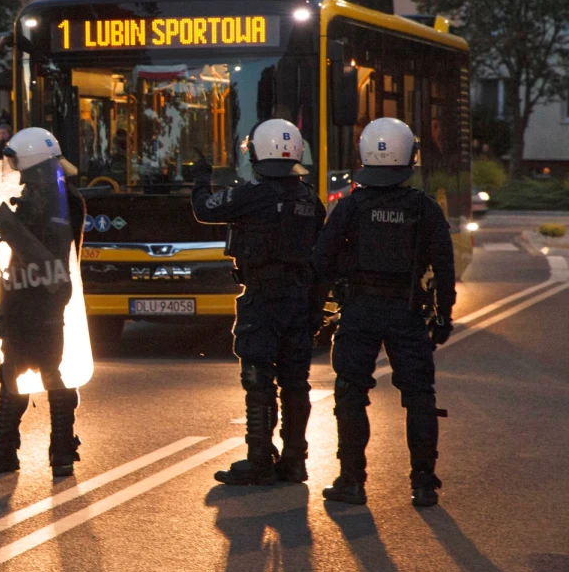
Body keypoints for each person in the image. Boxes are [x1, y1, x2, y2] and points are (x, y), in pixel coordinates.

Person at [315, 117, 456, 508]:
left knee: (350, 392)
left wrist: (316, 309)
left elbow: (321, 259)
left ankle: (352, 481)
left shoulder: (351, 205)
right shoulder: (424, 208)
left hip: (359, 309)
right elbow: (444, 267)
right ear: (410, 155)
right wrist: (444, 315)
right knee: (419, 395)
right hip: (406, 311)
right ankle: (424, 483)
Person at [191, 120, 327, 486]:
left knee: (258, 378)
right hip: (299, 300)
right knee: (296, 382)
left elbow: (204, 208)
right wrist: (316, 308)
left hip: (263, 299)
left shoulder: (251, 195)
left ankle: (259, 459)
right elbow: (322, 256)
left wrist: (201, 176)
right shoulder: (309, 199)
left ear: (255, 154)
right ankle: (295, 461)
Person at [0, 128, 88, 478]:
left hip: (32, 298)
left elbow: (41, 249)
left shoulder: (50, 204)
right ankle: (61, 449)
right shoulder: (70, 200)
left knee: (17, 371)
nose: (19, 175)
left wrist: (12, 224)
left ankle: (10, 449)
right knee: (47, 370)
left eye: (22, 168)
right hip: (45, 297)